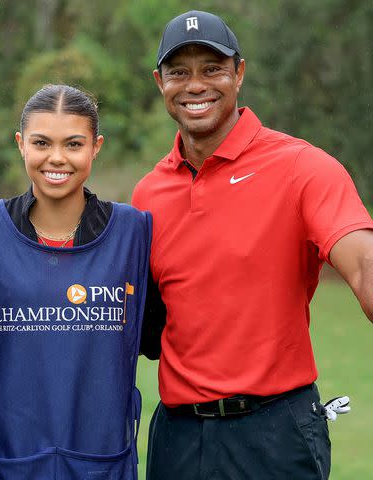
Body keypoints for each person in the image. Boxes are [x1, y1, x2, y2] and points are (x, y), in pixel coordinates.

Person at [132, 10, 373, 480]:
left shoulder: (303, 167)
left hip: (275, 432)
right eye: (179, 72)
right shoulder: (148, 193)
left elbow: (363, 265)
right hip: (177, 437)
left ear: (239, 73)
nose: (195, 85)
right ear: (159, 82)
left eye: (212, 69)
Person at [0, 84, 152, 479]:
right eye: (42, 142)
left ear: (96, 147)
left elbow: (162, 335)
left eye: (74, 144)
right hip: (0, 463)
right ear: (20, 144)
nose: (57, 158)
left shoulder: (133, 234)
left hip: (103, 465)